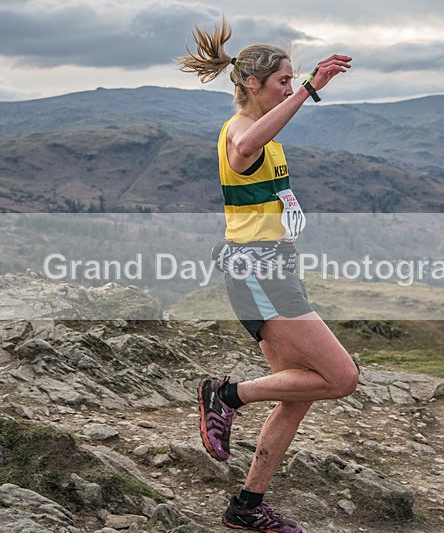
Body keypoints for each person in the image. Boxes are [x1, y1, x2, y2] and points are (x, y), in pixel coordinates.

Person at [177, 17, 359, 533]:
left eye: (291, 79)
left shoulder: (266, 138)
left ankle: (247, 507)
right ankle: (225, 395)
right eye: (282, 79)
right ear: (252, 85)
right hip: (256, 271)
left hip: (274, 268)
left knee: (296, 396)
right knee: (340, 378)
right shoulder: (241, 133)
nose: (289, 86)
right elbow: (242, 149)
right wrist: (308, 90)